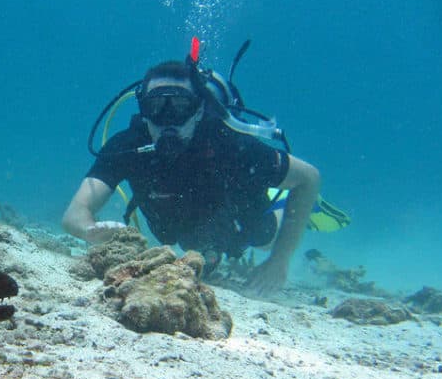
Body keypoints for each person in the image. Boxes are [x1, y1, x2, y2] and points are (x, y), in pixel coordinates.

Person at [62, 59, 320, 296]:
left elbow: (309, 177)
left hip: (238, 218)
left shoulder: (230, 143)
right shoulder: (127, 146)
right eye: (156, 107)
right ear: (143, 110)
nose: (168, 120)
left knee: (264, 240)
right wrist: (89, 231)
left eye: (180, 106)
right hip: (184, 228)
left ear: (198, 110)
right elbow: (75, 213)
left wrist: (279, 261)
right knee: (190, 243)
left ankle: (285, 202)